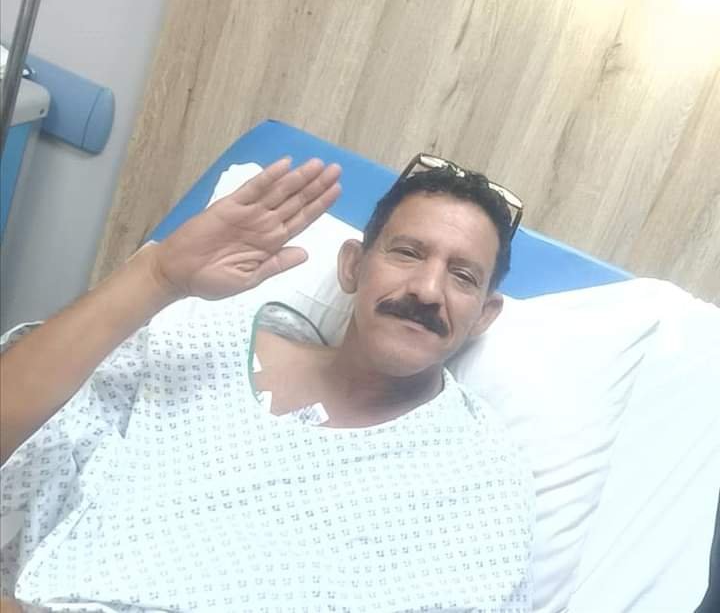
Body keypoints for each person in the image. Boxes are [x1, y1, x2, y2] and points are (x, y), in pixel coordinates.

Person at [0, 155, 534, 612]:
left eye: (463, 276)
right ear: (353, 266)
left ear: (484, 315)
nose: (427, 289)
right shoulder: (195, 348)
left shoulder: (478, 480)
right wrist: (157, 276)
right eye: (408, 252)